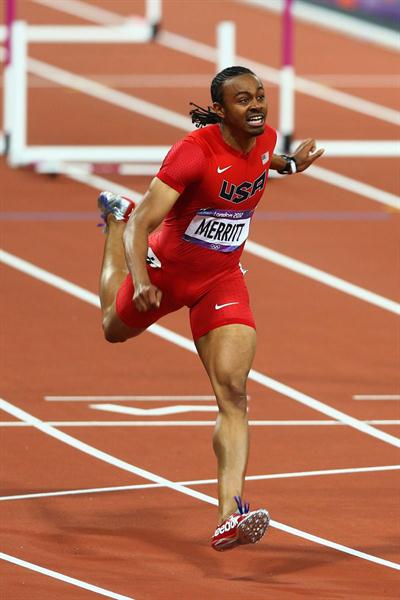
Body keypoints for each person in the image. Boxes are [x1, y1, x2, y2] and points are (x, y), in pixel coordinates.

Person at [97, 66, 324, 551]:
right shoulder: (192, 153)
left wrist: (290, 165)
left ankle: (229, 514)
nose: (256, 105)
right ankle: (110, 223)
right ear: (220, 110)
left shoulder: (265, 139)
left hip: (220, 279)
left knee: (234, 391)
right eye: (243, 100)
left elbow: (264, 160)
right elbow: (147, 225)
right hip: (162, 273)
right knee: (112, 329)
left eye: (260, 95)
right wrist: (139, 278)